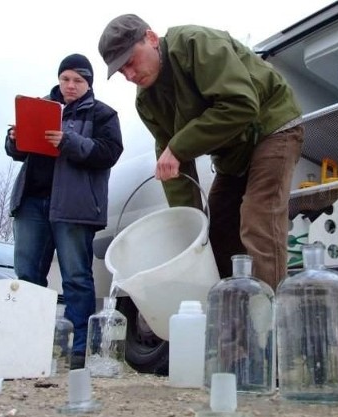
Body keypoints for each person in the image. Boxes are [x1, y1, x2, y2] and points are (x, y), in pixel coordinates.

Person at [98, 15, 304, 289]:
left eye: (130, 62)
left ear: (151, 38)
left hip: (272, 126)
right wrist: (188, 224)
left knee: (258, 216)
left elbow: (241, 105)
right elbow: (172, 164)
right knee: (215, 228)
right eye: (121, 71)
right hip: (233, 152)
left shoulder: (197, 44)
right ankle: (230, 309)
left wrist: (178, 147)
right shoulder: (147, 100)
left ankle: (271, 314)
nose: (130, 75)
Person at [5, 53, 123, 369]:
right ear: (59, 79)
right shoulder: (39, 107)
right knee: (27, 276)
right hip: (32, 203)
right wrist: (14, 140)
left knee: (76, 278)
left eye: (78, 81)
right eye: (66, 79)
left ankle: (78, 353)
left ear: (89, 84)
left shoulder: (103, 114)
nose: (71, 86)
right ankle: (27, 348)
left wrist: (68, 141)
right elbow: (17, 154)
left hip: (75, 207)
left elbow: (110, 152)